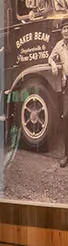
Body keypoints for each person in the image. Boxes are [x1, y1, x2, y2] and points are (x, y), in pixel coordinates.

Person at [48, 29, 68, 167]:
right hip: (67, 85)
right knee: (66, 118)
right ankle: (66, 155)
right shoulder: (60, 45)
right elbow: (50, 57)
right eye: (64, 29)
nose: (66, 31)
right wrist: (54, 64)